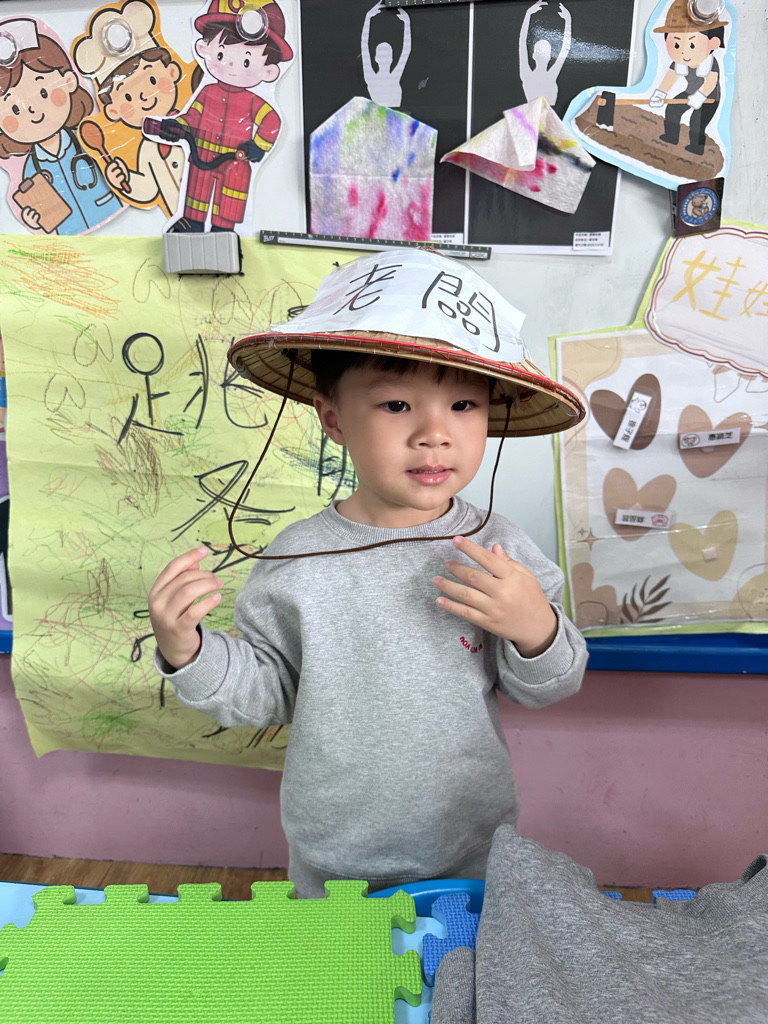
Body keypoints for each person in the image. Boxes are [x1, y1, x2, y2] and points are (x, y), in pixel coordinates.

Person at [149, 249, 588, 897]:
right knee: (333, 967)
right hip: (333, 854)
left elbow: (552, 685)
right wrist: (187, 651)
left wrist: (536, 629)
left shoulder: (500, 549)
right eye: (397, 405)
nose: (435, 434)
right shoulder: (297, 558)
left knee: (457, 964)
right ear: (333, 419)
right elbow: (268, 691)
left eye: (463, 404)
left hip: (467, 846)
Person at [160, 0, 292, 233]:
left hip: (235, 161)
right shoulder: (207, 92)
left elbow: (271, 121)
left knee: (230, 201)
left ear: (268, 70)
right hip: (201, 155)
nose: (231, 63)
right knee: (196, 194)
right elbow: (192, 116)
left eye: (246, 60)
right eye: (221, 54)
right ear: (204, 49)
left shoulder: (253, 102)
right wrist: (177, 126)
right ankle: (192, 224)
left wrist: (258, 146)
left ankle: (223, 231)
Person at [73, 0, 196, 217]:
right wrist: (123, 179)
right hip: (182, 221)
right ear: (113, 112)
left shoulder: (196, 120)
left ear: (173, 72)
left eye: (152, 79)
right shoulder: (147, 149)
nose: (143, 96)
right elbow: (148, 190)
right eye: (127, 97)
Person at [0, 19, 123, 234]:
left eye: (43, 93)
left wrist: (118, 177)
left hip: (113, 214)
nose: (32, 110)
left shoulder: (89, 137)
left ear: (69, 81)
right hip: (67, 234)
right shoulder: (30, 169)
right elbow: (39, 210)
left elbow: (116, 164)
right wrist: (33, 219)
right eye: (15, 110)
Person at [649, 0, 728, 156]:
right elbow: (670, 77)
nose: (684, 52)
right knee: (672, 109)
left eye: (692, 45)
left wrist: (700, 96)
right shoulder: (680, 62)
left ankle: (697, 147)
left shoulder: (710, 64)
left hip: (710, 98)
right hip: (690, 91)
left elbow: (711, 82)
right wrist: (660, 94)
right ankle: (671, 137)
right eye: (676, 45)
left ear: (713, 43)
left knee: (697, 121)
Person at [519, 0, 571, 107]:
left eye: (546, 52)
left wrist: (568, 21)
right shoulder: (530, 75)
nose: (543, 55)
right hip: (535, 115)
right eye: (541, 51)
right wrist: (528, 14)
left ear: (549, 56)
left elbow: (566, 49)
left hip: (549, 115)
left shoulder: (548, 75)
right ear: (533, 55)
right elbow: (522, 43)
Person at [361, 1, 411, 109]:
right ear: (376, 58)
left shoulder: (393, 77)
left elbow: (406, 50)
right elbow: (364, 46)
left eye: (387, 54)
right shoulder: (372, 77)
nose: (385, 57)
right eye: (383, 54)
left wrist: (407, 22)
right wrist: (368, 18)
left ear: (392, 58)